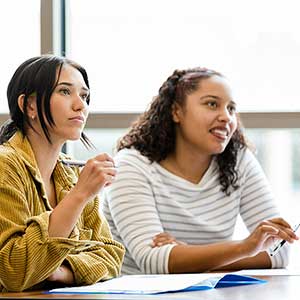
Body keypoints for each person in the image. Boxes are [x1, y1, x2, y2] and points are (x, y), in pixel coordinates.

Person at [103, 67, 298, 275]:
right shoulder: (131, 166)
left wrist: (185, 253)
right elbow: (153, 261)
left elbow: (279, 251)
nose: (226, 117)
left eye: (231, 108)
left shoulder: (239, 160)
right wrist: (244, 249)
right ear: (176, 111)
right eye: (212, 104)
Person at [0, 55, 125, 292]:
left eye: (84, 95)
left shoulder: (71, 171)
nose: (80, 105)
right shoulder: (5, 165)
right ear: (29, 106)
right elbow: (13, 272)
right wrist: (79, 195)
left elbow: (111, 254)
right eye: (65, 92)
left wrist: (63, 272)